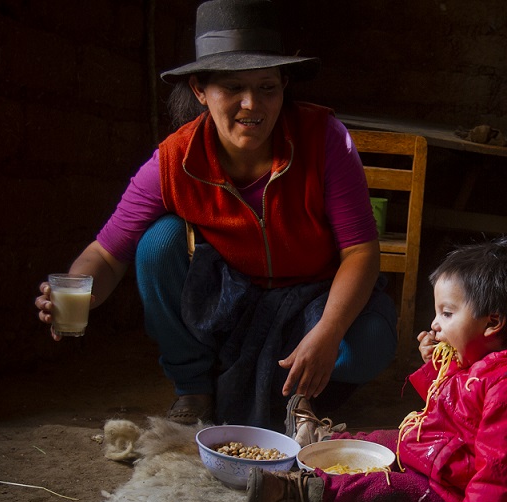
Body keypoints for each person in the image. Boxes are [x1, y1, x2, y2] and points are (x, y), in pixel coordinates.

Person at [33, 0, 397, 427]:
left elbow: (359, 252)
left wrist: (329, 331)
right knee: (158, 241)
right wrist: (80, 291)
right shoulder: (174, 161)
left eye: (267, 87)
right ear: (200, 91)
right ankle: (194, 388)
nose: (251, 105)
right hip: (234, 303)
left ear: (284, 85)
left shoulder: (325, 140)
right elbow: (109, 252)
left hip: (316, 296)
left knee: (369, 340)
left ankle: (308, 393)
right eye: (231, 88)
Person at [247, 237, 507, 502]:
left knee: (386, 485)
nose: (435, 324)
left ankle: (303, 491)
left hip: (457, 486)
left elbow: (506, 459)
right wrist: (438, 363)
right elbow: (457, 402)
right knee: (382, 441)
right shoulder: (477, 358)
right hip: (441, 448)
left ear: (493, 323)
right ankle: (324, 441)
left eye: (447, 314)